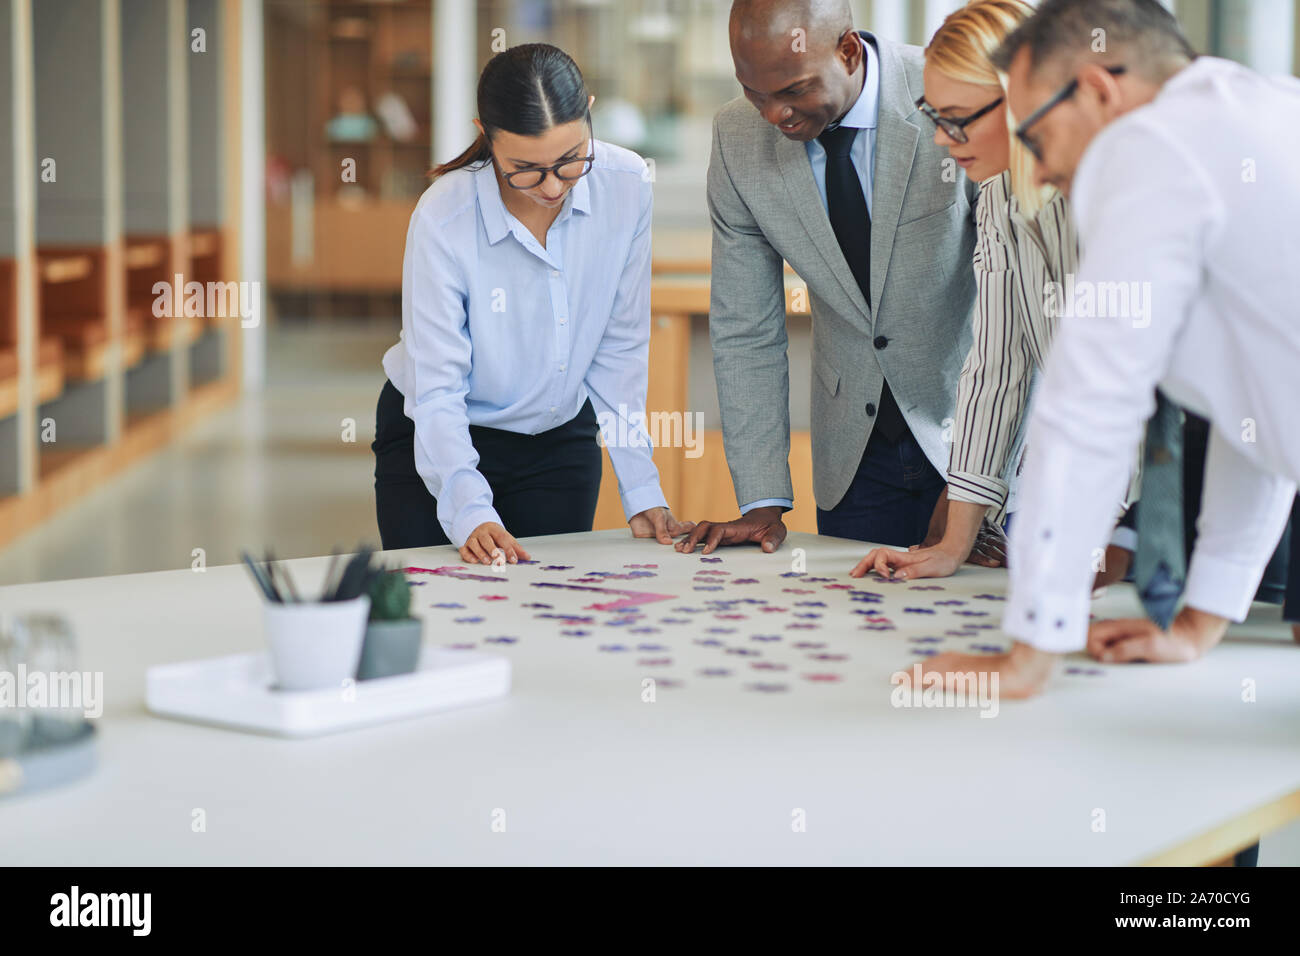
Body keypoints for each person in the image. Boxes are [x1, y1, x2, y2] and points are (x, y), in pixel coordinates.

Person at [911, 0, 1300, 698]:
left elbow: (1088, 405)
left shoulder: (1149, 149)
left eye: (1034, 136)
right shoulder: (1257, 112)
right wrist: (1199, 624)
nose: (1038, 162)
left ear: (1096, 90)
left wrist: (1030, 651)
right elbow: (1265, 410)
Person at [678, 0, 1003, 560]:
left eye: (794, 90)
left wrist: (974, 482)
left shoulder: (949, 94)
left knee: (977, 631)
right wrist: (762, 501)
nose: (775, 116)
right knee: (855, 636)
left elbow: (1013, 308)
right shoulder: (737, 141)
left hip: (975, 429)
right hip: (854, 459)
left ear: (849, 51)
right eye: (756, 93)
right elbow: (745, 329)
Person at [372, 43, 692, 564]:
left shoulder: (627, 186)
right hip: (439, 436)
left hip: (558, 440)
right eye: (525, 168)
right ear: (486, 133)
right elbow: (437, 387)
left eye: (570, 161)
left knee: (551, 619)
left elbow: (620, 349)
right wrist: (470, 508)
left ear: (588, 109)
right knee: (442, 616)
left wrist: (641, 488)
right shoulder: (444, 216)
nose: (551, 187)